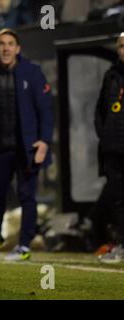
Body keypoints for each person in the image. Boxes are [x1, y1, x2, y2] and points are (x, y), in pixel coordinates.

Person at [0, 28, 54, 261]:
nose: (6, 48)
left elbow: (46, 111)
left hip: (27, 147)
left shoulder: (32, 73)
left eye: (10, 44)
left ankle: (24, 245)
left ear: (18, 48)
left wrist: (44, 141)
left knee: (27, 196)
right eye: (1, 44)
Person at [93, 32, 124, 264]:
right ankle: (122, 245)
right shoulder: (111, 75)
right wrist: (105, 137)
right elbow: (100, 110)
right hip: (113, 150)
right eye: (122, 46)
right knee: (116, 199)